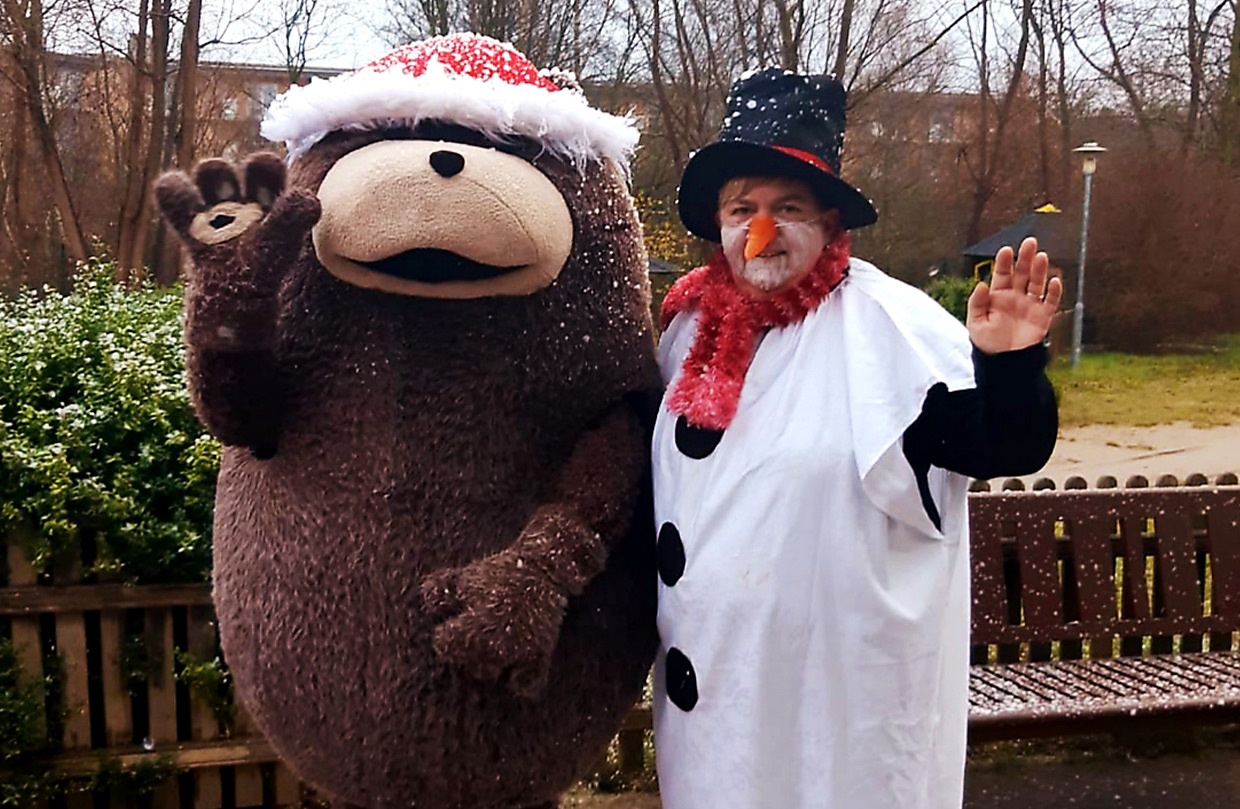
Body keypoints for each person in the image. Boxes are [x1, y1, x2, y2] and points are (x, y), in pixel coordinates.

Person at [650, 68, 1059, 809]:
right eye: (742, 207)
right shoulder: (688, 332)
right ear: (718, 222)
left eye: (788, 207)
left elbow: (1001, 444)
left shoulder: (888, 329)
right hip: (716, 716)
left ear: (832, 220)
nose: (760, 229)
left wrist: (1009, 367)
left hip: (833, 719)